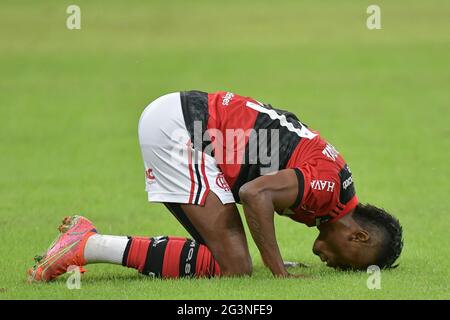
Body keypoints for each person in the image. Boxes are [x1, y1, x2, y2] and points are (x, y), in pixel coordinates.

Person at [28, 91, 403, 282]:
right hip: (183, 130)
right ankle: (86, 244)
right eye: (349, 264)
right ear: (358, 237)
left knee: (225, 262)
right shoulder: (329, 189)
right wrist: (278, 271)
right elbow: (254, 194)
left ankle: (86, 242)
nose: (335, 265)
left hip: (189, 125)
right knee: (237, 266)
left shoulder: (332, 195)